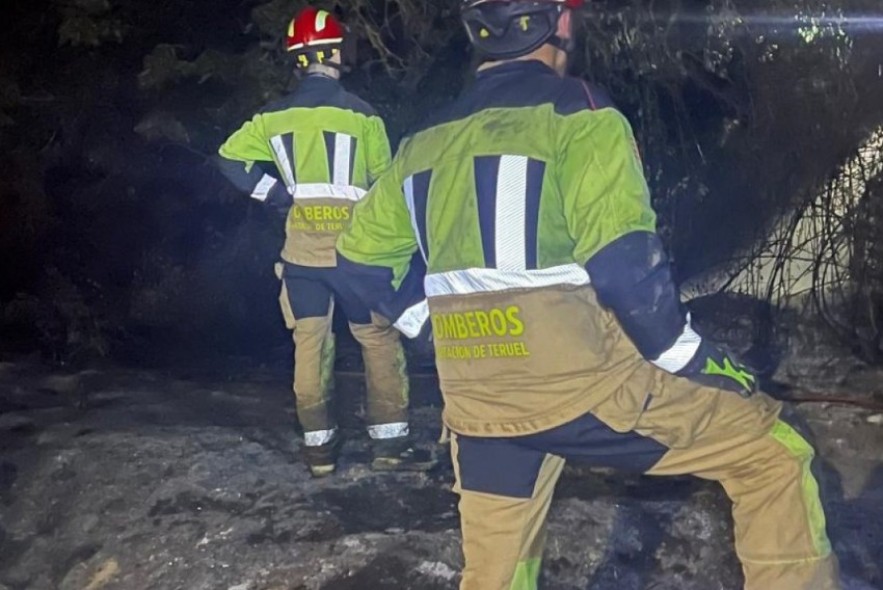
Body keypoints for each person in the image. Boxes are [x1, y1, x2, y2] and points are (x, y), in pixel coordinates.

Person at [334, 0, 840, 587]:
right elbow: (625, 267)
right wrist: (693, 358)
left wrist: (425, 329)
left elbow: (356, 260)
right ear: (562, 23)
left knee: (495, 574)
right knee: (773, 455)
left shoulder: (420, 143)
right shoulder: (583, 115)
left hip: (479, 402)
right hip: (586, 389)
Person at [217, 6, 434, 478]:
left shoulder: (272, 118)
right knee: (378, 342)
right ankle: (389, 447)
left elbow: (229, 159)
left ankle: (319, 455)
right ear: (339, 54)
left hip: (302, 261)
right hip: (358, 260)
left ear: (297, 59)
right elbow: (384, 188)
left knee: (310, 348)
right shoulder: (364, 117)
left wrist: (274, 194)